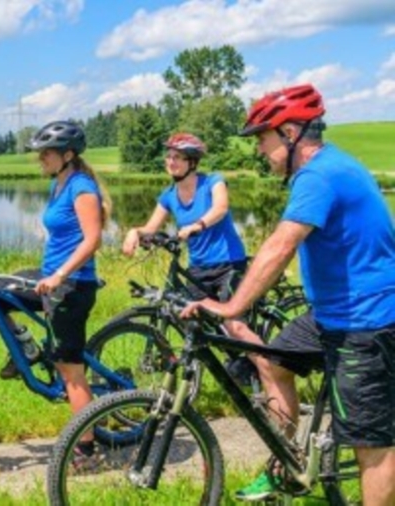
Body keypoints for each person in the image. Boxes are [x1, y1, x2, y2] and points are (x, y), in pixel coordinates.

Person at [183, 83, 395, 505]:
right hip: (329, 313)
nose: (260, 149)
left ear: (292, 132)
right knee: (273, 361)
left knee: (372, 443)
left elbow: (281, 244)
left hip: (366, 321)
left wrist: (232, 305)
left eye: (263, 137)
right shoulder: (317, 171)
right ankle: (286, 465)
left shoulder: (320, 175)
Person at [0, 120, 108, 458]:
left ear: (68, 154)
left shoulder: (82, 187)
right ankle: (27, 348)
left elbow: (93, 240)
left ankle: (86, 448)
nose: (40, 158)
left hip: (72, 285)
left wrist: (60, 274)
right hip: (51, 276)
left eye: (47, 152)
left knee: (69, 370)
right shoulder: (58, 185)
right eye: (39, 152)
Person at [122, 132, 264, 380]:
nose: (170, 161)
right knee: (192, 321)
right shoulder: (168, 195)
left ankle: (268, 369)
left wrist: (198, 225)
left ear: (192, 162)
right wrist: (136, 233)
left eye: (177, 157)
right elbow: (151, 227)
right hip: (198, 269)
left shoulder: (212, 183)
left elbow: (220, 208)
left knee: (233, 324)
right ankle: (225, 367)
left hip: (228, 264)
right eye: (168, 156)